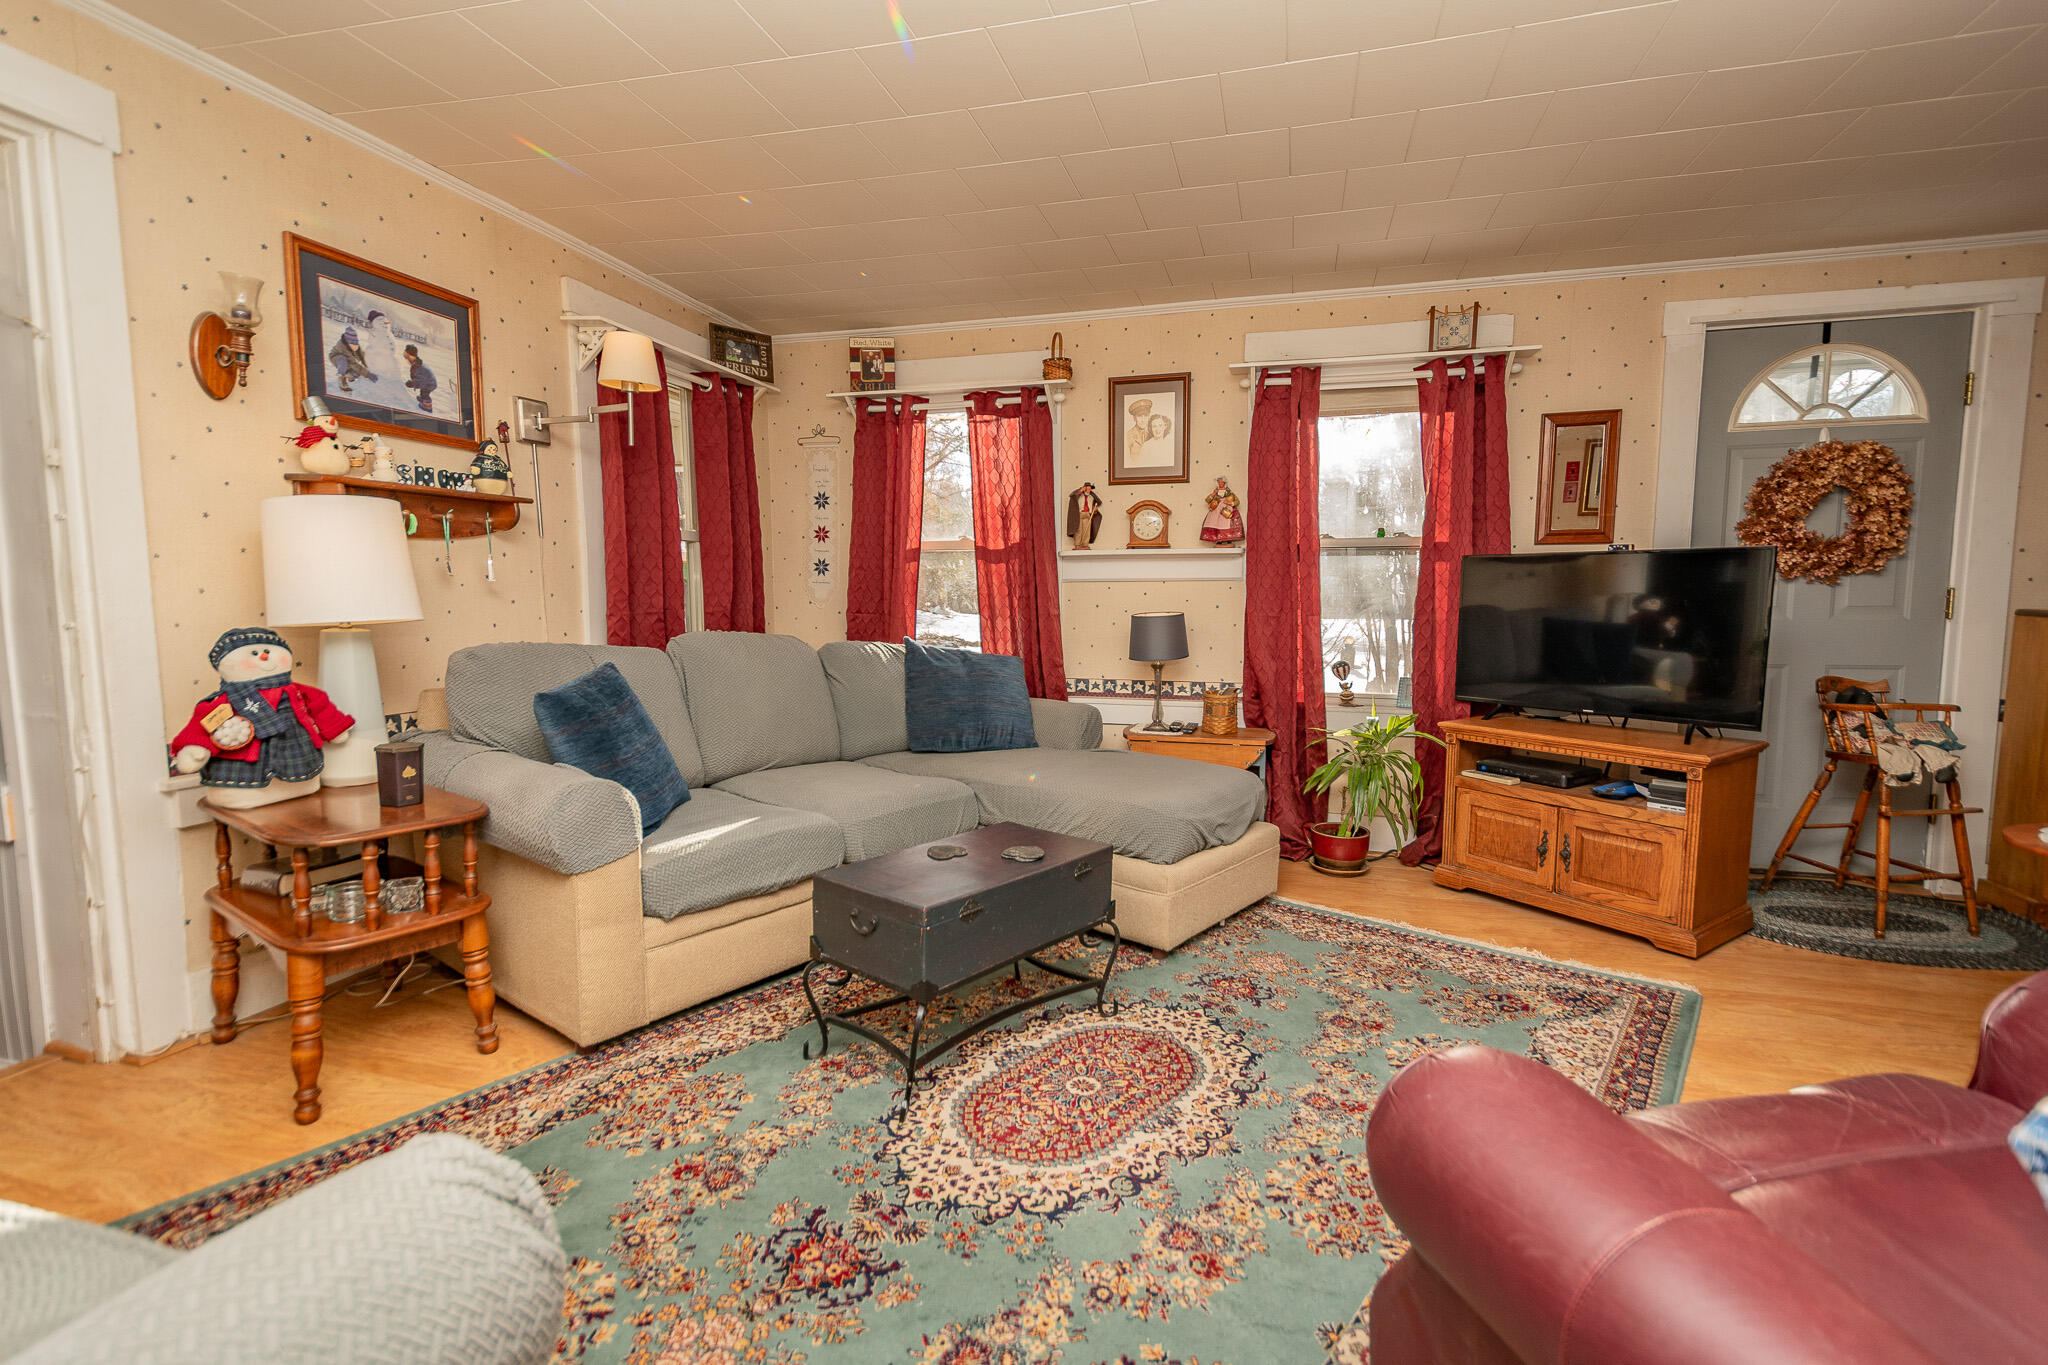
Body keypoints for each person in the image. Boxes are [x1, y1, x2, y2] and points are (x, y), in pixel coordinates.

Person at [328, 326, 373, 393]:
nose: (354, 344)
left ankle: (349, 375)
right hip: (336, 358)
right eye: (352, 342)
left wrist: (368, 368)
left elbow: (362, 357)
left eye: (355, 342)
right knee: (343, 360)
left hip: (348, 359)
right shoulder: (342, 346)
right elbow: (353, 363)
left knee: (357, 372)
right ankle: (342, 379)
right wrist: (367, 374)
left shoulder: (356, 345)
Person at [403, 343, 437, 413]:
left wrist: (412, 383)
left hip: (430, 383)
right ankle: (422, 399)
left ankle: (427, 407)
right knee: (423, 391)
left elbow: (421, 381)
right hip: (427, 381)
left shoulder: (419, 367)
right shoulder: (415, 364)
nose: (405, 358)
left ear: (412, 356)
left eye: (406, 356)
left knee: (425, 393)